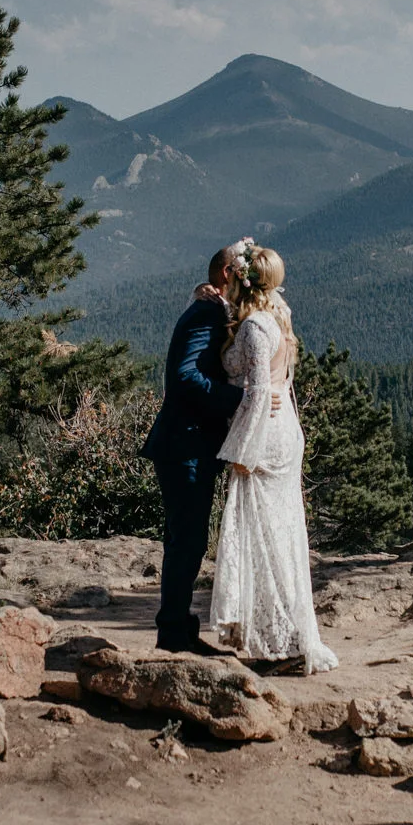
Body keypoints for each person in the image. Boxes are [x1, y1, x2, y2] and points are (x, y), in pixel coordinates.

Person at [206, 244, 337, 674]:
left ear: (242, 280)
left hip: (265, 440)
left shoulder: (255, 328)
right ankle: (283, 634)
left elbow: (259, 390)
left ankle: (280, 642)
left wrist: (242, 448)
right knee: (281, 534)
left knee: (266, 539)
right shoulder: (279, 313)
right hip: (284, 435)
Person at [141, 245, 248, 654]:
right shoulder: (205, 312)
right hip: (184, 441)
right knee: (186, 540)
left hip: (192, 441)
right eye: (242, 273)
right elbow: (184, 377)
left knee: (188, 539)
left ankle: (180, 629)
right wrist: (238, 399)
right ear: (226, 273)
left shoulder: (211, 307)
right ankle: (174, 634)